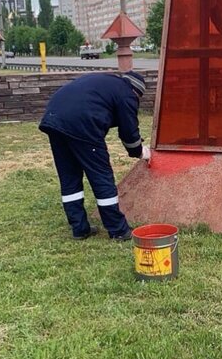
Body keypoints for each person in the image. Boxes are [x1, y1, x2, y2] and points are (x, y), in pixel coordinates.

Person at [39, 71, 150, 241]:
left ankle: (79, 228)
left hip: (54, 120)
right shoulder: (128, 94)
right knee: (101, 176)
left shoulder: (108, 83)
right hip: (82, 124)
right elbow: (128, 132)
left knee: (69, 177)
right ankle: (118, 230)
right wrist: (140, 151)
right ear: (137, 92)